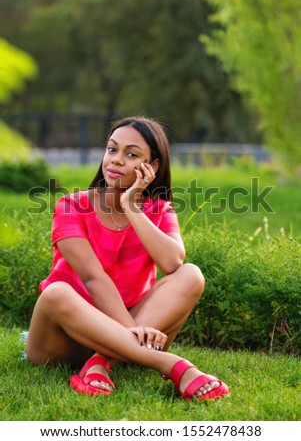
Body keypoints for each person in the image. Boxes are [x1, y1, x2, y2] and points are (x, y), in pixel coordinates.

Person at [25, 116, 229, 401]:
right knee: (58, 292)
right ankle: (171, 365)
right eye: (112, 149)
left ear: (153, 167)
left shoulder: (159, 210)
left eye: (131, 154)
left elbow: (173, 263)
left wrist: (132, 208)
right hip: (63, 340)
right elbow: (93, 279)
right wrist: (133, 330)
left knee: (191, 274)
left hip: (132, 332)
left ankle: (102, 361)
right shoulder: (71, 206)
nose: (116, 160)